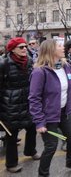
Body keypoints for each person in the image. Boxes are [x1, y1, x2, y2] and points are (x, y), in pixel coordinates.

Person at [29, 39, 71, 176]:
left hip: (66, 112)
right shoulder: (39, 72)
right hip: (48, 117)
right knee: (51, 146)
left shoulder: (66, 67)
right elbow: (34, 99)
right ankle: (43, 173)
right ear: (50, 50)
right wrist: (39, 122)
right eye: (59, 46)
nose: (63, 48)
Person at [0, 37, 39, 173]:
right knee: (12, 135)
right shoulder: (3, 63)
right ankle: (11, 164)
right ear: (12, 49)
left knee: (33, 127)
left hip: (27, 102)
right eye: (21, 47)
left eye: (25, 46)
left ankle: (30, 150)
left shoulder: (28, 61)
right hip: (10, 105)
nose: (24, 49)